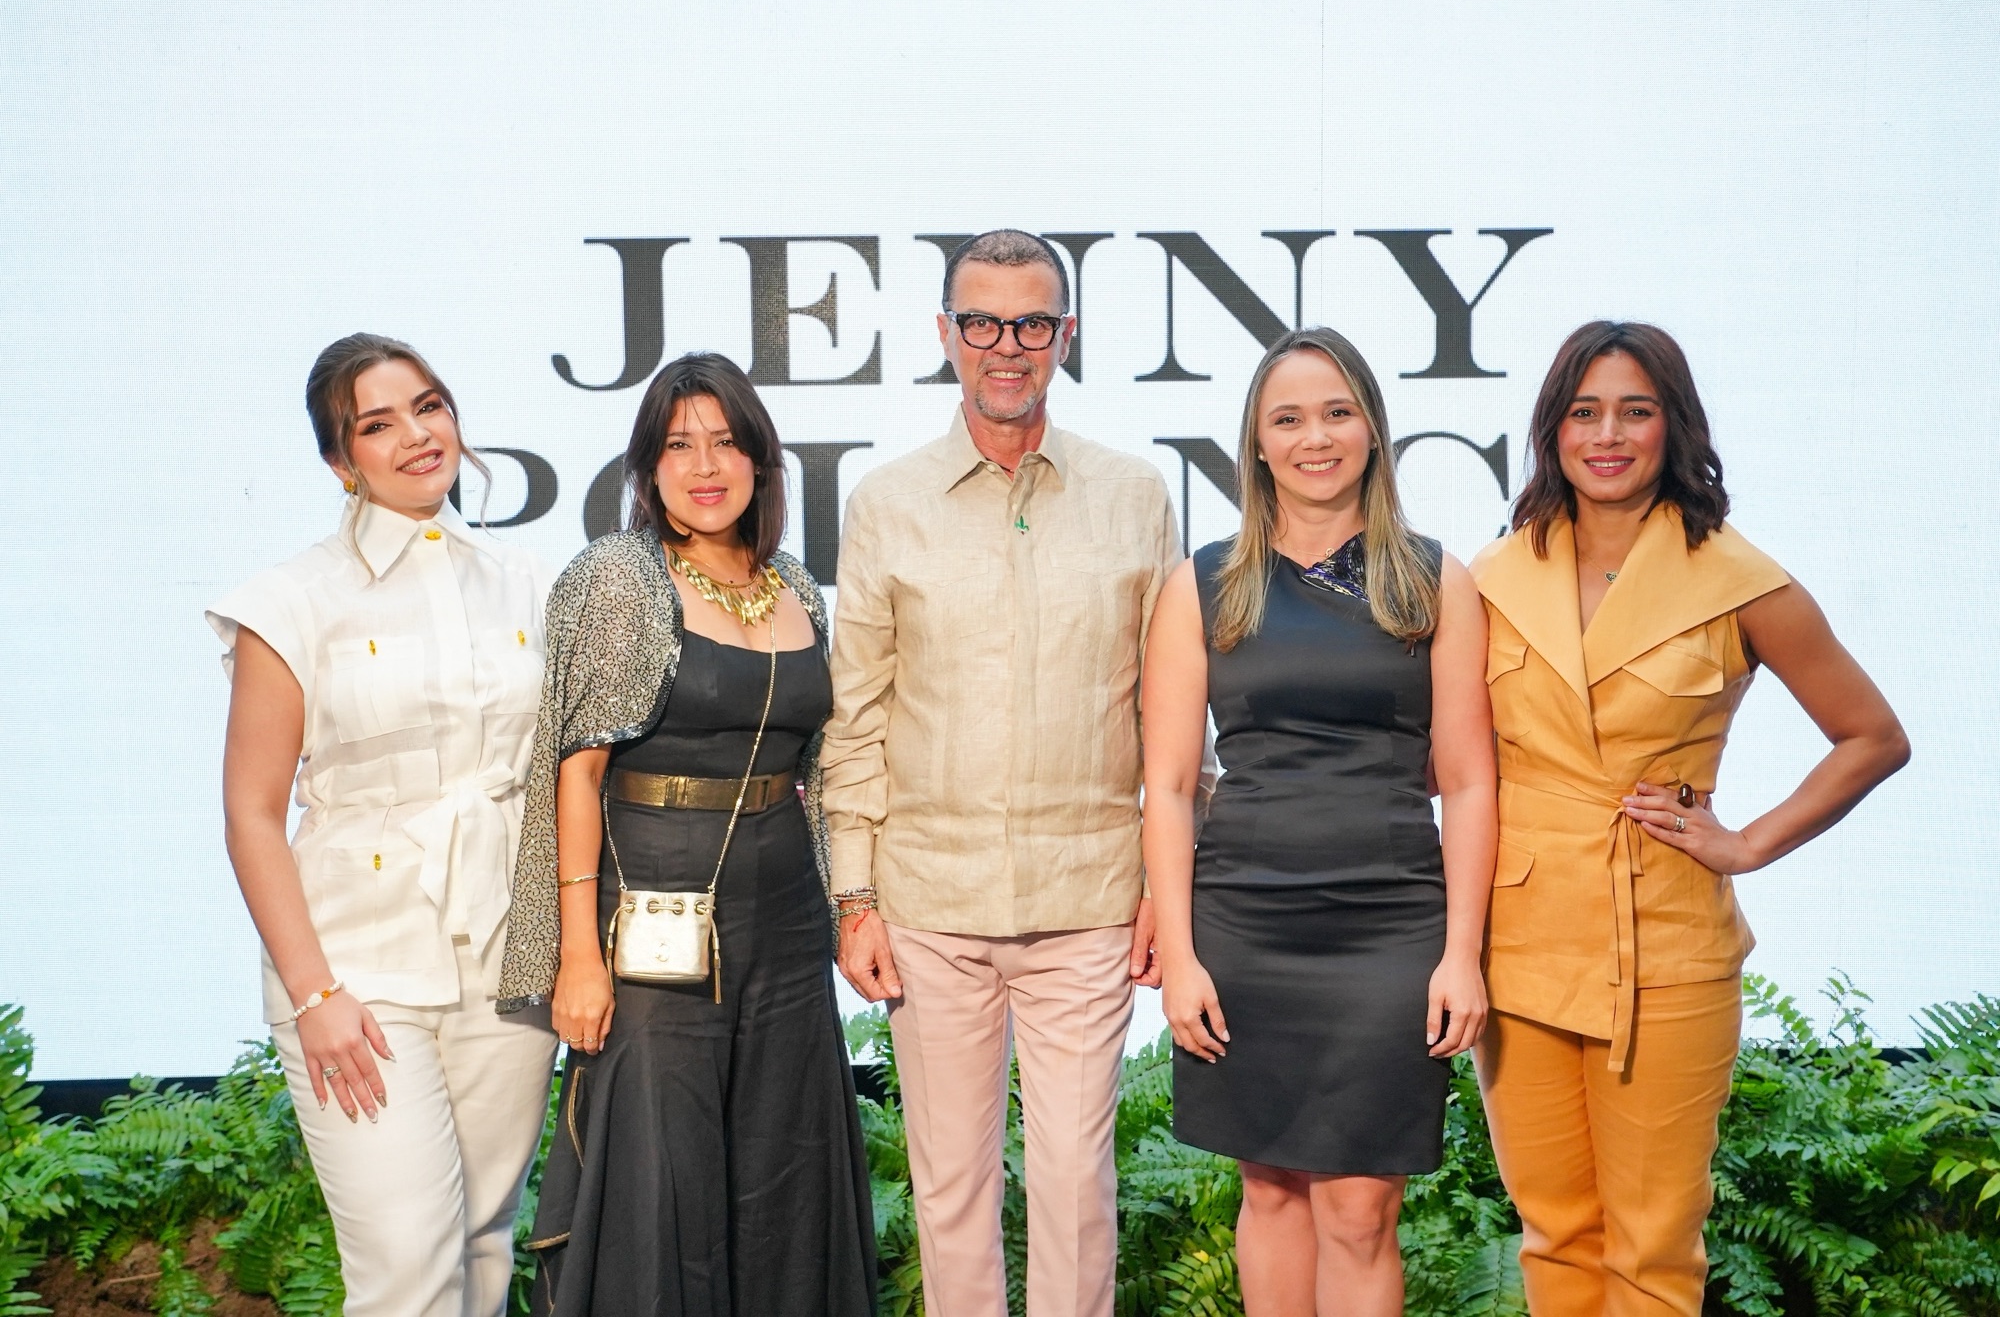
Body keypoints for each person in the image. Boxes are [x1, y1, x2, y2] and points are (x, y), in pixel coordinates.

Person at [1471, 320, 1910, 1316]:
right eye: (1583, 412)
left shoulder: (1735, 577)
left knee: (1653, 1247)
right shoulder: (1491, 575)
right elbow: (1444, 758)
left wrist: (1747, 843)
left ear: (1673, 424)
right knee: (1553, 1234)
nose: (1607, 435)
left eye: (1635, 410)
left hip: (1665, 942)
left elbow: (1871, 736)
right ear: (1551, 429)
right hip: (1519, 939)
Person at [821, 229, 1179, 1316]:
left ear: (1066, 335)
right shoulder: (886, 502)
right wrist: (853, 896)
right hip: (927, 902)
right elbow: (855, 717)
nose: (1005, 345)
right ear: (946, 334)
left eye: (1030, 322)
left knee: (1075, 1188)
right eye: (981, 322)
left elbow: (1171, 715)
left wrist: (1167, 886)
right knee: (950, 1193)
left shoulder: (1134, 496)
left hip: (1089, 899)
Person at [500, 352, 875, 1317]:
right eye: (678, 445)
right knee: (661, 1179)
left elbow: (820, 765)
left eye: (725, 442)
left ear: (759, 460)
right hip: (652, 922)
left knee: (783, 1173)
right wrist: (577, 957)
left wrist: (849, 906)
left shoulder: (795, 583)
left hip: (786, 924)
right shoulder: (619, 577)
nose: (705, 466)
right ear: (647, 468)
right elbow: (576, 772)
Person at [1144, 327, 1496, 1315]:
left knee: (1358, 1209)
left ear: (1372, 430)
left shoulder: (1434, 579)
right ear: (1256, 444)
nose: (1315, 437)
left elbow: (1470, 782)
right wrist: (1181, 957)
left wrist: (1460, 954)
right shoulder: (1201, 584)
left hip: (1390, 927)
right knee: (1268, 1189)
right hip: (1245, 926)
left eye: (1337, 413)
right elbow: (1167, 785)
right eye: (1288, 418)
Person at [209, 334, 558, 1316]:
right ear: (339, 462)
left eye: (429, 406)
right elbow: (250, 812)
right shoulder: (291, 601)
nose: (416, 435)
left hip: (509, 958)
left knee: (483, 1245)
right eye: (377, 424)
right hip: (355, 971)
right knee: (405, 1264)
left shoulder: (529, 581)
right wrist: (314, 992)